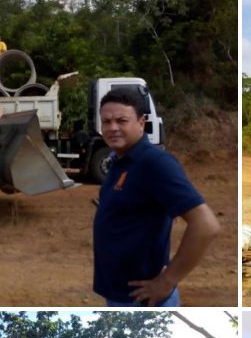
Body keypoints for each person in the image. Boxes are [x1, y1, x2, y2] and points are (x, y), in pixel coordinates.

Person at [92, 89, 221, 307]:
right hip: (118, 294)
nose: (112, 128)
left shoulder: (155, 163)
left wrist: (167, 281)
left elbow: (206, 225)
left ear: (141, 123)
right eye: (106, 122)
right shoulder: (119, 161)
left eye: (122, 120)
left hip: (142, 301)